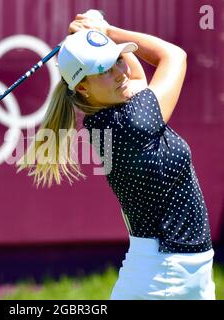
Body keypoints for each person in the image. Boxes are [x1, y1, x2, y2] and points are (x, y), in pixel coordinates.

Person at [16, 12, 216, 300]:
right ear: (82, 87)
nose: (119, 72)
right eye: (105, 69)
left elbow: (134, 78)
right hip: (165, 277)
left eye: (118, 60)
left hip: (178, 271)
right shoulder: (132, 123)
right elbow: (174, 55)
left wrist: (100, 36)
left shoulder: (109, 114)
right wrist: (107, 29)